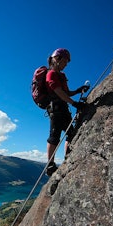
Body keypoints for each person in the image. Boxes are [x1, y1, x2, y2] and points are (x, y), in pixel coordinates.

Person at [45, 48, 88, 176]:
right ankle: (50, 165)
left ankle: (67, 158)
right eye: (65, 62)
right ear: (57, 59)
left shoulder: (61, 76)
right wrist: (74, 103)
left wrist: (78, 90)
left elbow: (66, 92)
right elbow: (58, 91)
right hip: (56, 109)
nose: (66, 65)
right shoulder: (51, 74)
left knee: (71, 133)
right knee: (55, 137)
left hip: (63, 108)